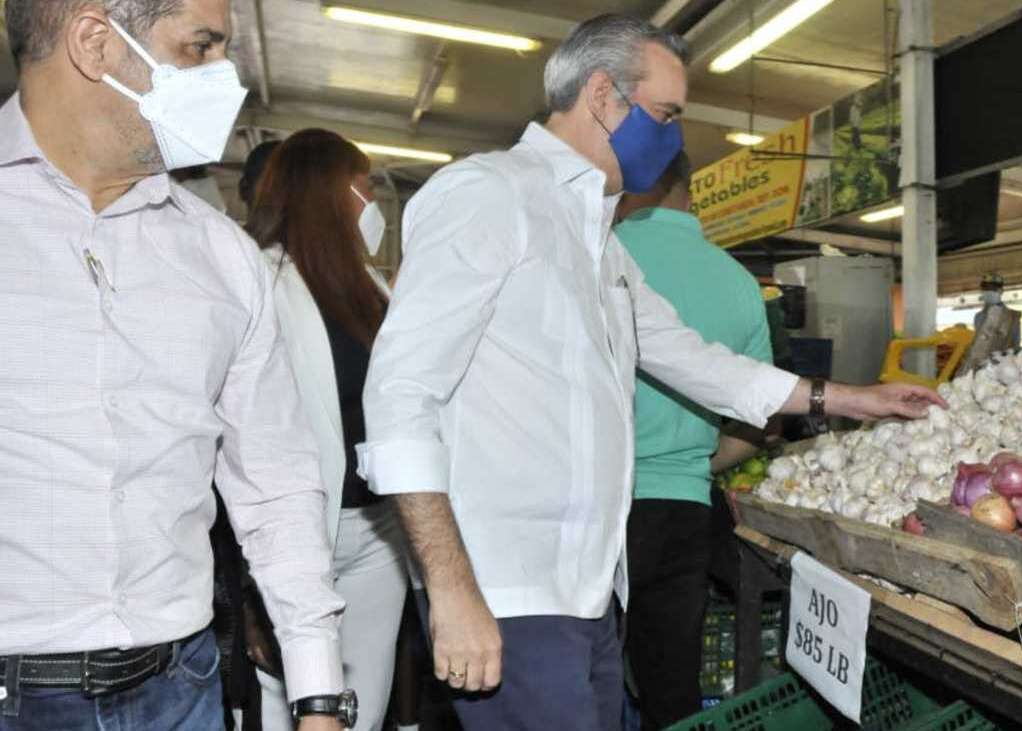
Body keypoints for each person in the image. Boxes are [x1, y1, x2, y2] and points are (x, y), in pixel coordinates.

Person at [358, 13, 944, 731]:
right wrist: (450, 590)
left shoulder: (599, 241)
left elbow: (694, 359)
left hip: (592, 588)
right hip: (509, 587)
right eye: (666, 114)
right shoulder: (489, 195)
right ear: (603, 96)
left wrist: (851, 398)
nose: (671, 137)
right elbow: (398, 394)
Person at [0, 2, 350, 730]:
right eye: (199, 48)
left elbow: (276, 486)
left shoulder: (221, 257)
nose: (225, 78)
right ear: (96, 43)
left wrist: (317, 693)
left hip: (180, 685)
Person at [245, 129, 409, 731]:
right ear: (329, 193)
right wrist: (248, 596)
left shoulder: (372, 290)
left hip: (379, 531)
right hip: (296, 534)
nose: (373, 208)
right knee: (287, 704)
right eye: (366, 190)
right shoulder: (261, 280)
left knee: (361, 706)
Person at [613, 151, 771, 729]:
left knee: (591, 672)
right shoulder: (737, 280)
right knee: (671, 684)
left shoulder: (602, 256)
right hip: (682, 508)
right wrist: (699, 463)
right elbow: (761, 421)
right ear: (689, 188)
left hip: (593, 506)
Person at [972, 272, 1021, 346]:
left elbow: (1016, 343)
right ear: (982, 291)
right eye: (986, 289)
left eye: (993, 289)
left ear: (1001, 291)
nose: (989, 292)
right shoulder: (979, 317)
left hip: (1005, 356)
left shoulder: (1012, 316)